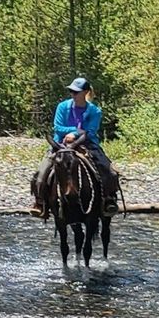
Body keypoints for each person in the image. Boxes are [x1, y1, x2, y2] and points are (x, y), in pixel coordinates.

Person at [32, 77, 119, 215]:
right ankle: (40, 201)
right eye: (71, 91)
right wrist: (75, 132)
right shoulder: (62, 107)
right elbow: (58, 127)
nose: (73, 94)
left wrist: (76, 136)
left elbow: (90, 132)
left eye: (76, 92)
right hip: (61, 144)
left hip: (87, 144)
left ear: (85, 92)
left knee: (109, 170)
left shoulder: (94, 111)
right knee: (41, 172)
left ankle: (109, 199)